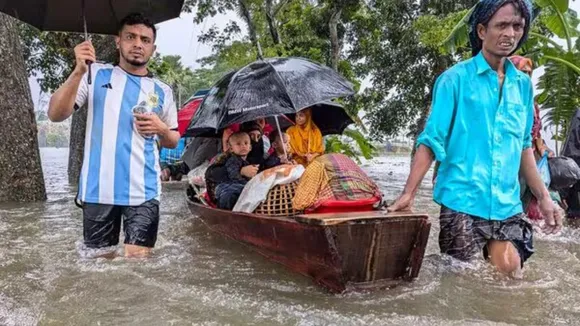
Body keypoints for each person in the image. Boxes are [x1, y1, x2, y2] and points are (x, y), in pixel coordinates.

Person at [388, 0, 562, 277]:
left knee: (510, 271)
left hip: (506, 202)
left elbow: (523, 146)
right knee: (461, 278)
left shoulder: (522, 86)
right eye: (501, 25)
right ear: (482, 31)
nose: (510, 34)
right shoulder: (454, 80)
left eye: (517, 26)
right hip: (462, 199)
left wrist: (544, 198)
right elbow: (431, 140)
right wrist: (408, 193)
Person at [47, 13, 180, 258]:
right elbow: (55, 114)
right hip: (98, 189)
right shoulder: (94, 74)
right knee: (100, 267)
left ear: (153, 48)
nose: (138, 44)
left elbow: (173, 139)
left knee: (138, 265)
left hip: (144, 191)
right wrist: (77, 71)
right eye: (131, 37)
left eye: (145, 39)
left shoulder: (162, 90)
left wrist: (161, 129)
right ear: (118, 41)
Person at [214, 132, 259, 209]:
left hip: (238, 185)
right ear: (231, 149)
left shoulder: (246, 162)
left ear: (250, 147)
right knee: (230, 194)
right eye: (238, 144)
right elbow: (233, 175)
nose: (243, 146)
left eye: (246, 143)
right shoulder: (232, 160)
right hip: (229, 185)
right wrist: (245, 179)